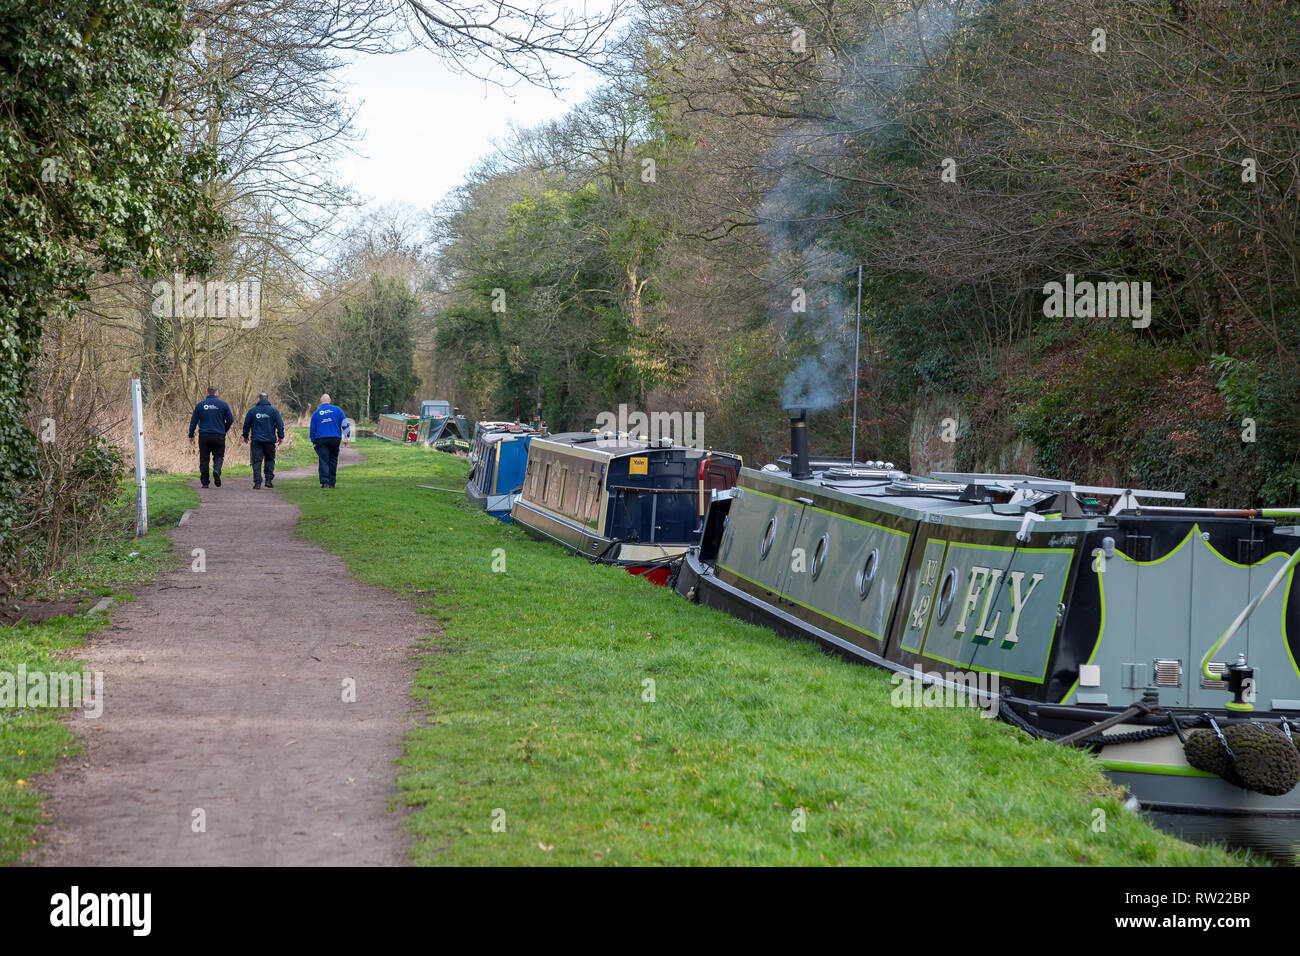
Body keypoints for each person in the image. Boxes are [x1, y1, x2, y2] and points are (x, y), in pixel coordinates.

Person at [188, 386, 234, 488]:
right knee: (218, 456)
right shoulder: (223, 405)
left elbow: (194, 421)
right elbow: (230, 420)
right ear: (217, 393)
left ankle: (205, 483)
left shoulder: (200, 405)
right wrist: (224, 429)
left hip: (204, 435)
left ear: (207, 393)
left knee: (204, 459)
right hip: (219, 435)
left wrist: (191, 435)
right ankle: (217, 470)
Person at [241, 392, 285, 489]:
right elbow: (280, 425)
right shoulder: (273, 411)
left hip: (256, 441)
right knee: (269, 460)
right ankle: (268, 481)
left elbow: (246, 425)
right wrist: (280, 436)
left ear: (259, 399)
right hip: (270, 441)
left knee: (256, 461)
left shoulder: (252, 411)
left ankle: (257, 483)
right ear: (267, 399)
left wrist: (245, 436)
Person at [309, 393, 352, 489]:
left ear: (321, 402)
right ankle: (332, 483)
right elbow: (345, 423)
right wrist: (347, 437)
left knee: (324, 460)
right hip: (335, 438)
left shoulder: (317, 413)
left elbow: (312, 429)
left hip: (322, 439)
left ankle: (325, 482)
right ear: (330, 401)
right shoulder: (337, 410)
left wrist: (313, 441)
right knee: (333, 460)